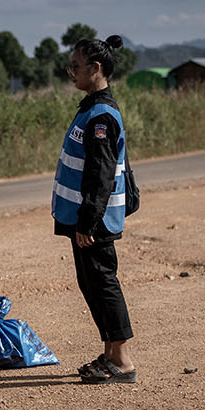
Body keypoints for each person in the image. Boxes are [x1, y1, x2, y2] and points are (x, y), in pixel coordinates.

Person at [52, 36, 136, 385]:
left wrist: (87, 221)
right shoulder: (90, 107)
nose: (71, 72)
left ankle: (123, 361)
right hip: (82, 220)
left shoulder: (102, 116)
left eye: (76, 66)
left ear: (96, 69)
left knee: (103, 283)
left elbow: (99, 177)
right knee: (90, 283)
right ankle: (109, 353)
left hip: (93, 221)